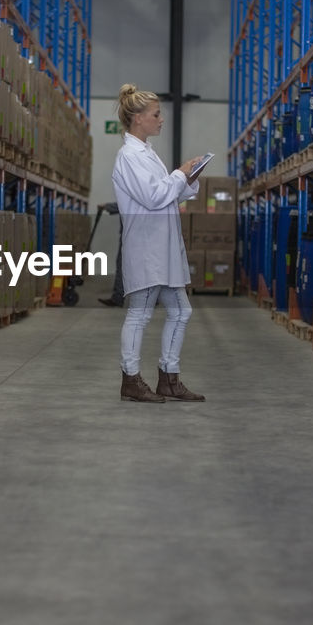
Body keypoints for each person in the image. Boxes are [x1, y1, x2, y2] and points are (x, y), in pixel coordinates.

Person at [112, 84, 206, 403]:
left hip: (163, 249)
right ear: (138, 118)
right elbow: (154, 197)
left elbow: (164, 192)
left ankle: (169, 378)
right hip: (147, 248)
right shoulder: (129, 156)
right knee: (140, 315)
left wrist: (186, 179)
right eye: (156, 114)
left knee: (181, 311)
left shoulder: (147, 152)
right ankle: (131, 379)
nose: (161, 119)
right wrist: (179, 174)